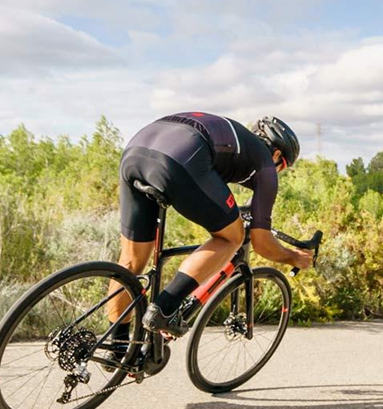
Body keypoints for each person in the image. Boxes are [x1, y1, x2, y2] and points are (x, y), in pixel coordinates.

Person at [106, 112, 313, 345]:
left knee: (131, 262)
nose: (276, 173)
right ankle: (163, 310)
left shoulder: (237, 140)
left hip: (136, 150)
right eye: (282, 167)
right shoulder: (265, 161)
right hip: (179, 158)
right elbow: (262, 244)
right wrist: (293, 257)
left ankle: (117, 347)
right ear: (276, 154)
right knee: (232, 237)